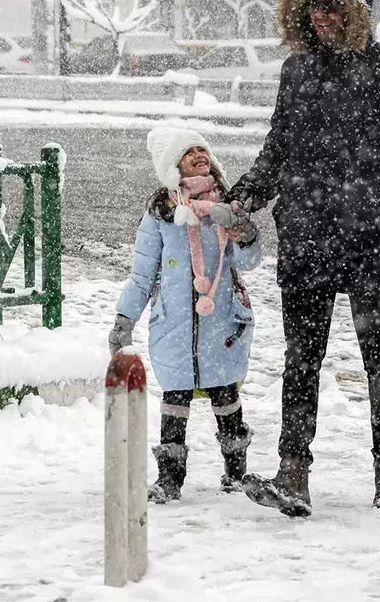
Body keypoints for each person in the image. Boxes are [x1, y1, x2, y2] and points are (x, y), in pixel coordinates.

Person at [227, 0, 380, 517]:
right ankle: (293, 471)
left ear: (356, 12)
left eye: (332, 6)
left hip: (373, 237)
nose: (320, 17)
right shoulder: (297, 73)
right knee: (302, 358)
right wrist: (246, 194)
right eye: (312, 7)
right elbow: (279, 147)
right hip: (306, 236)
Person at [110, 126, 262, 503]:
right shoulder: (161, 214)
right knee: (175, 399)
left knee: (226, 395)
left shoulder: (226, 206)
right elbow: (143, 274)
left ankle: (235, 471)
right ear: (172, 165)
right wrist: (125, 318)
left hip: (221, 318)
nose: (199, 155)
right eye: (188, 152)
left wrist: (243, 232)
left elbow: (248, 261)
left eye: (201, 149)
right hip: (175, 323)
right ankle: (170, 478)